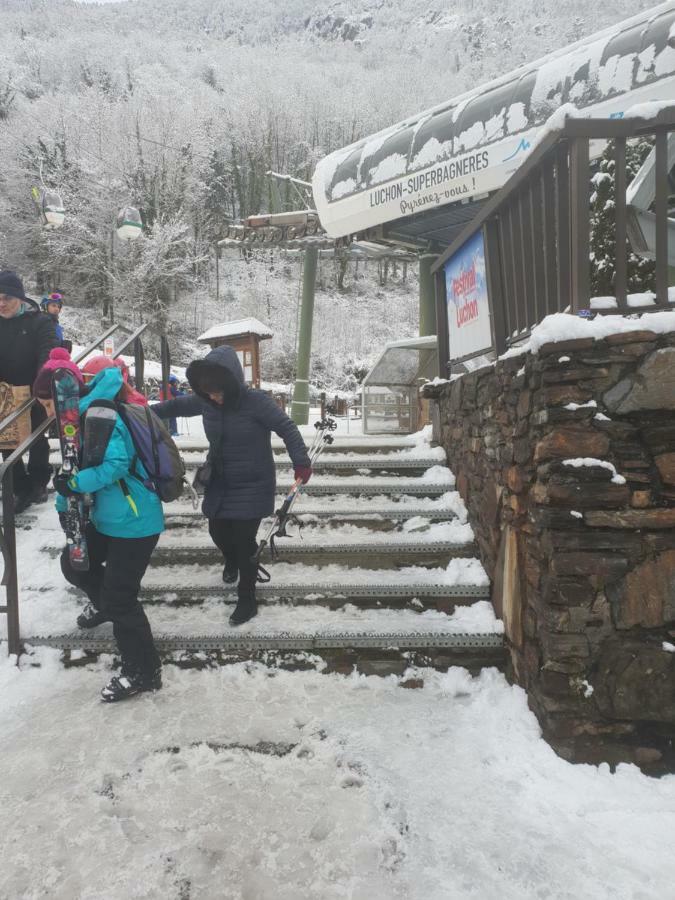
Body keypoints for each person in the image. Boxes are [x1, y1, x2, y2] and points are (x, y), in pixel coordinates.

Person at [33, 350, 164, 703]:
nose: (46, 412)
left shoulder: (100, 414)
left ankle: (143, 671)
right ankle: (104, 604)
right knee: (74, 563)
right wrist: (64, 501)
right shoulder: (78, 420)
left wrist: (73, 486)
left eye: (47, 404)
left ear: (63, 399)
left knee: (122, 599)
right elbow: (73, 469)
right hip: (109, 519)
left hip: (135, 521)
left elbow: (117, 465)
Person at [152, 345, 312, 626]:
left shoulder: (256, 402)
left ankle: (247, 598)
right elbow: (174, 406)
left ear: (232, 383)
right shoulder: (207, 400)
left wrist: (301, 461)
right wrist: (138, 413)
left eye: (218, 391)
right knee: (217, 529)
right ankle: (231, 560)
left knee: (244, 540)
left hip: (253, 479)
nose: (214, 397)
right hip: (220, 478)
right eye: (208, 393)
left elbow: (286, 427)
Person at [0, 271, 58, 513]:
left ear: (20, 299)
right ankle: (19, 487)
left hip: (35, 390)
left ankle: (38, 482)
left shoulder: (40, 322)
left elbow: (48, 353)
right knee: (6, 441)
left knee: (37, 439)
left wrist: (42, 385)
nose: (1, 304)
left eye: (7, 298)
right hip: (4, 393)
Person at [81, 355, 148, 406]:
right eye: (85, 378)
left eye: (91, 379)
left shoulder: (127, 403)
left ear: (106, 380)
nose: (88, 384)